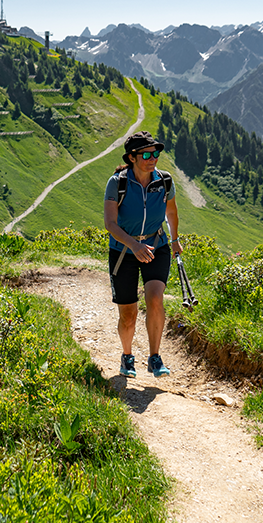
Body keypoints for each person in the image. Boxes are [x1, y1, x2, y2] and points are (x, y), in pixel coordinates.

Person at [103, 131, 182, 378]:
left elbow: (171, 213)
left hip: (156, 246)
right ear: (132, 157)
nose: (153, 158)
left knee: (155, 297)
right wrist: (134, 246)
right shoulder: (117, 183)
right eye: (146, 154)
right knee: (128, 313)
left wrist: (176, 240)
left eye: (156, 153)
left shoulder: (165, 181)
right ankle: (127, 357)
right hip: (123, 251)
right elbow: (110, 224)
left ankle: (155, 358)